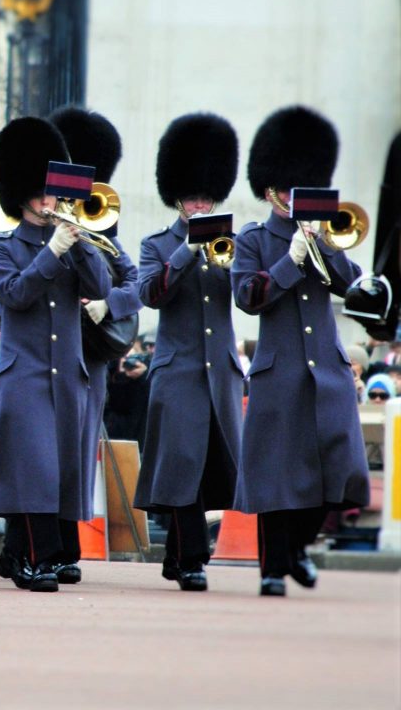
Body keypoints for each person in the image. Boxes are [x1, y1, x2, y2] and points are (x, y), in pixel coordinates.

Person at [232, 105, 370, 597]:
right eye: (289, 189)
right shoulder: (253, 240)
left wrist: (326, 249)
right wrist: (289, 261)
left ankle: (296, 550)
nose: (296, 196)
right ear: (271, 192)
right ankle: (273, 567)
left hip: (327, 371)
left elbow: (354, 289)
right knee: (276, 479)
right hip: (279, 370)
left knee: (342, 469)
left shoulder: (325, 233)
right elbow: (248, 298)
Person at [0, 116, 110, 593]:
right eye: (40, 192)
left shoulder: (74, 240)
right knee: (33, 467)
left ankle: (17, 554)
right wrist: (52, 250)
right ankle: (40, 559)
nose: (48, 200)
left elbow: (102, 288)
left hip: (67, 373)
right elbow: (14, 296)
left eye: (52, 192)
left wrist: (79, 247)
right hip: (25, 371)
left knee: (60, 468)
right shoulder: (2, 248)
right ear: (22, 195)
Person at [134, 113, 244, 593]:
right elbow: (149, 294)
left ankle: (179, 555)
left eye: (206, 197)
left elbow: (246, 298)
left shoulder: (233, 245)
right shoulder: (156, 245)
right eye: (192, 197)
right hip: (176, 370)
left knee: (207, 466)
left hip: (218, 371)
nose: (199, 204)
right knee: (181, 463)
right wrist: (185, 252)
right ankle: (194, 557)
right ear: (176, 197)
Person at [49, 105, 141, 579]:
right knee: (44, 448)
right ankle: (36, 543)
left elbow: (136, 283)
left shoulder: (101, 226)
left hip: (89, 355)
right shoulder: (36, 230)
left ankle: (68, 546)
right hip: (46, 352)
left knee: (81, 447)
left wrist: (110, 304)